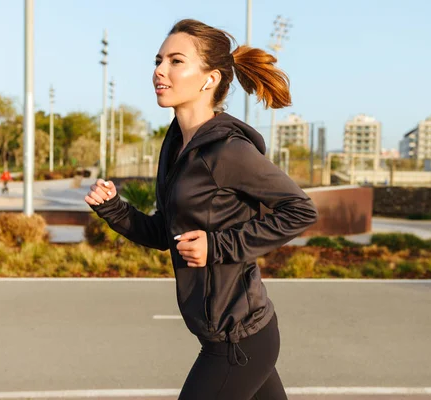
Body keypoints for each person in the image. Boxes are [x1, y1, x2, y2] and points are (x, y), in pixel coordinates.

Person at [84, 19, 318, 400]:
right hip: (231, 335)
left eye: (176, 61)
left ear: (209, 79)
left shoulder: (226, 150)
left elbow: (300, 210)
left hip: (236, 338)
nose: (159, 70)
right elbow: (166, 235)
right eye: (159, 59)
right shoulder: (176, 145)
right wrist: (113, 209)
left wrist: (217, 246)